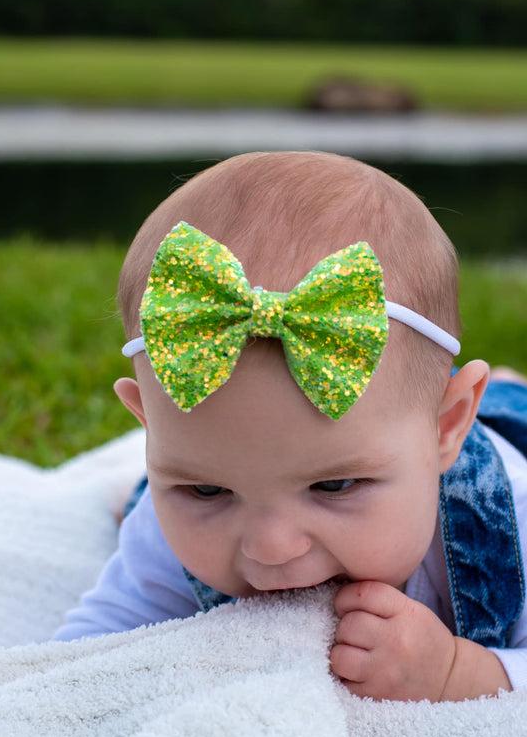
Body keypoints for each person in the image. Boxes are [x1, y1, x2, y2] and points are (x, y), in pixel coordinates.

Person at [52, 151, 527, 703]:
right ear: (147, 426)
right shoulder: (163, 528)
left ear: (446, 427)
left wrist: (458, 672)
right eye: (206, 491)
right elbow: (86, 653)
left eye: (334, 485)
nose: (271, 547)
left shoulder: (511, 516)